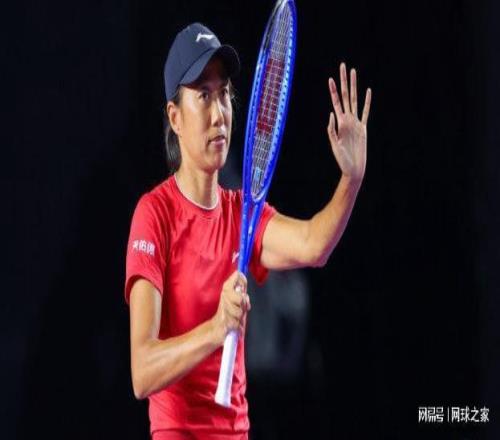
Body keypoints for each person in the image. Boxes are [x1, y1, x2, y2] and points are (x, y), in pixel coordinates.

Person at [125, 22, 371, 440]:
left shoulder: (242, 214)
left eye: (224, 94)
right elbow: (142, 372)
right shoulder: (154, 214)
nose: (219, 114)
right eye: (203, 96)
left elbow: (315, 245)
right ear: (175, 117)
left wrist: (351, 179)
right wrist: (216, 328)